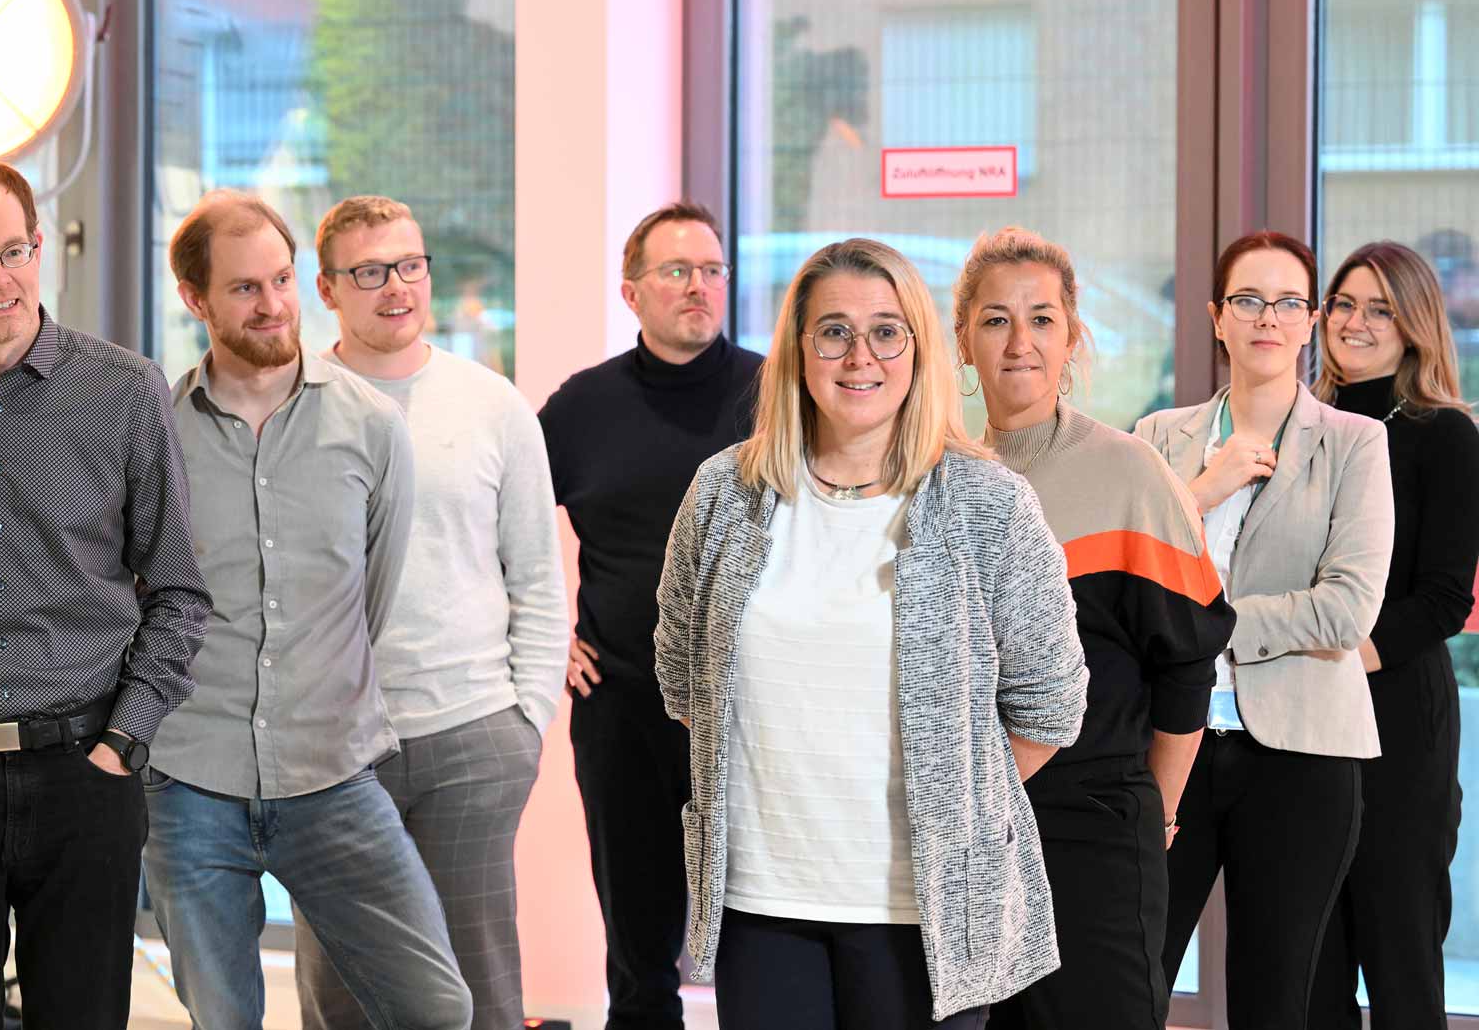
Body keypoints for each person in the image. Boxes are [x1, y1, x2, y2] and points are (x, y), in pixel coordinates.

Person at [654, 237, 1089, 1029]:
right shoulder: (725, 491)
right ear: (799, 350)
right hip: (763, 901)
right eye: (834, 331)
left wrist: (954, 806)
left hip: (921, 914)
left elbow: (1050, 706)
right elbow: (684, 678)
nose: (861, 355)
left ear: (919, 348)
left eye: (887, 330)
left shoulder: (989, 503)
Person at [0, 159, 211, 1029]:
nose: (1, 279)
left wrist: (122, 743)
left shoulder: (125, 391)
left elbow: (178, 589)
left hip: (84, 775)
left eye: (16, 250)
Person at [141, 190, 471, 1030]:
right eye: (246, 288)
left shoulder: (370, 425)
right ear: (196, 299)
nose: (274, 304)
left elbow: (375, 590)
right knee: (225, 1018)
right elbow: (133, 600)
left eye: (282, 279)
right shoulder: (155, 436)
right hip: (190, 780)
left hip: (332, 773)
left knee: (436, 1007)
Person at [292, 194, 569, 1030]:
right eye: (370, 272)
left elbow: (539, 577)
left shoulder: (493, 405)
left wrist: (529, 720)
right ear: (328, 287)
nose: (396, 288)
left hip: (472, 734)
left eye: (410, 265)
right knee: (340, 982)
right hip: (332, 746)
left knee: (477, 982)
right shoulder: (291, 402)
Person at [955, 227, 1236, 1030]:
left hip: (1097, 824)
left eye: (1042, 320)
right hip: (971, 829)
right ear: (964, 340)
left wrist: (1157, 811)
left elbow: (1188, 663)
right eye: (997, 320)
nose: (1020, 342)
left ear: (1073, 337)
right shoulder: (941, 479)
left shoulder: (1126, 472)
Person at [1134, 231, 1394, 1030]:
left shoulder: (1355, 443)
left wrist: (1208, 625)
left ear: (1311, 320)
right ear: (1218, 318)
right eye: (1247, 300)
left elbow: (1347, 608)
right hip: (1168, 750)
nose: (1267, 318)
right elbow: (1131, 580)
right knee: (1131, 979)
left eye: (1288, 302)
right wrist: (1201, 491)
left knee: (1274, 999)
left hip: (1302, 758)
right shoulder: (1156, 440)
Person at [538, 200, 762, 1030]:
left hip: (755, 707)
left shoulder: (778, 394)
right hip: (623, 708)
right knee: (639, 953)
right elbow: (497, 532)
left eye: (711, 270)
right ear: (632, 293)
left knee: (757, 938)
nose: (698, 287)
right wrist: (542, 640)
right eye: (677, 271)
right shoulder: (580, 409)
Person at [1307, 241, 1479, 1028]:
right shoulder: (1298, 425)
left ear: (1414, 323)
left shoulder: (1443, 433)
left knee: (1400, 951)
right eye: (1344, 303)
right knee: (1311, 962)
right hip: (1302, 718)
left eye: (1380, 307)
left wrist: (1343, 662)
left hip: (1396, 719)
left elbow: (1443, 598)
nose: (1356, 322)